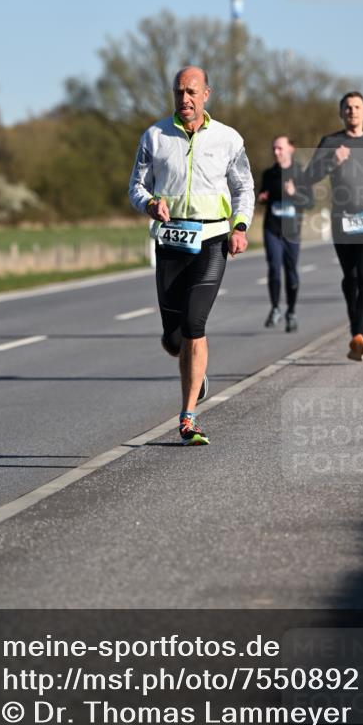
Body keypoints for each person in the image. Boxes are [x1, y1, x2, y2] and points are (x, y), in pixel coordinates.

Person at [129, 65, 254, 445]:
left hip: (212, 239)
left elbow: (243, 188)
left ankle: (188, 418)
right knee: (173, 337)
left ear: (206, 95)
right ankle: (195, 374)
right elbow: (135, 186)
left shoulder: (228, 139)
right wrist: (150, 204)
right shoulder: (154, 136)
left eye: (191, 92)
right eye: (178, 92)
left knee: (195, 325)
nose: (184, 99)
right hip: (169, 242)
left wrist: (240, 226)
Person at [305, 91, 363, 362]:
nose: (352, 111)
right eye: (347, 108)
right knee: (349, 278)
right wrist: (332, 161)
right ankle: (359, 330)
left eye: (357, 107)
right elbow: (309, 176)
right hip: (342, 220)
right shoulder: (331, 142)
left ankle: (358, 335)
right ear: (341, 113)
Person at [257, 136, 313, 332]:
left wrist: (294, 194)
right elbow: (263, 194)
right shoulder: (269, 174)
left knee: (291, 272)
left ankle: (291, 311)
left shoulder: (301, 174)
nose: (276, 152)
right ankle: (274, 308)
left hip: (292, 231)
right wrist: (262, 197)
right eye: (274, 149)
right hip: (272, 228)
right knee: (273, 268)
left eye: (280, 148)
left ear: (291, 149)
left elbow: (309, 202)